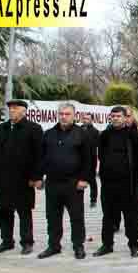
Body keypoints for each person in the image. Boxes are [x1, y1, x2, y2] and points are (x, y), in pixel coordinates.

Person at [38, 103, 93, 260]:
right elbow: (41, 157)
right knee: (52, 217)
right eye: (61, 114)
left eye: (67, 114)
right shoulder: (48, 134)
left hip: (73, 183)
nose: (63, 117)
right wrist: (38, 177)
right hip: (53, 183)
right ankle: (54, 245)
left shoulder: (82, 134)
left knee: (76, 217)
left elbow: (89, 159)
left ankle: (78, 246)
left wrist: (84, 179)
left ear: (74, 116)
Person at [93, 106, 138, 258]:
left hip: (128, 184)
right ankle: (107, 245)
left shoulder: (134, 135)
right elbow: (101, 156)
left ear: (124, 118)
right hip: (109, 184)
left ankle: (134, 245)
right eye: (113, 116)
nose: (115, 118)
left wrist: (133, 176)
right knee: (108, 216)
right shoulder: (104, 135)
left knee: (130, 217)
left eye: (118, 116)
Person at [0, 100, 43, 255]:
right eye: (10, 108)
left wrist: (36, 177)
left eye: (15, 108)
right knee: (3, 211)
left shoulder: (33, 129)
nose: (12, 111)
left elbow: (39, 155)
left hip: (24, 179)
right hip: (2, 179)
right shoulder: (0, 129)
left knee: (24, 211)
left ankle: (27, 242)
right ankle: (7, 241)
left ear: (24, 111)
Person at [80, 113, 100, 208]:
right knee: (79, 180)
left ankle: (93, 200)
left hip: (91, 160)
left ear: (91, 120)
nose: (85, 120)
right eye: (84, 118)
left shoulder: (95, 132)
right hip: (79, 160)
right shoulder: (78, 129)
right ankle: (78, 200)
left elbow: (97, 146)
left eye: (87, 119)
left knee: (92, 181)